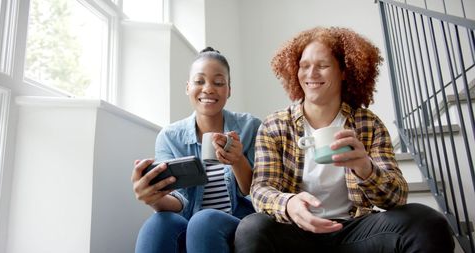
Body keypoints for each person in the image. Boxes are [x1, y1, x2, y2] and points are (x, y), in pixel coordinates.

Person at [234, 27, 454, 252]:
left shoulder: (368, 124)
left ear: (344, 72)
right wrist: (289, 204)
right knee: (252, 227)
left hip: (354, 230)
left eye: (323, 66)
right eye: (304, 66)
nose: (311, 74)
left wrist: (365, 168)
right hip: (296, 232)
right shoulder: (275, 125)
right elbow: (261, 190)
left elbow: (396, 199)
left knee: (426, 221)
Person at [132, 47, 261, 253]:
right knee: (157, 224)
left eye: (218, 83)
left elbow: (256, 191)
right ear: (187, 87)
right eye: (199, 81)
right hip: (189, 223)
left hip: (236, 220)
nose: (208, 89)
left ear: (229, 89)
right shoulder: (170, 137)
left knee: (204, 220)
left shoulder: (250, 127)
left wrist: (237, 160)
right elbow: (179, 201)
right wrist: (154, 199)